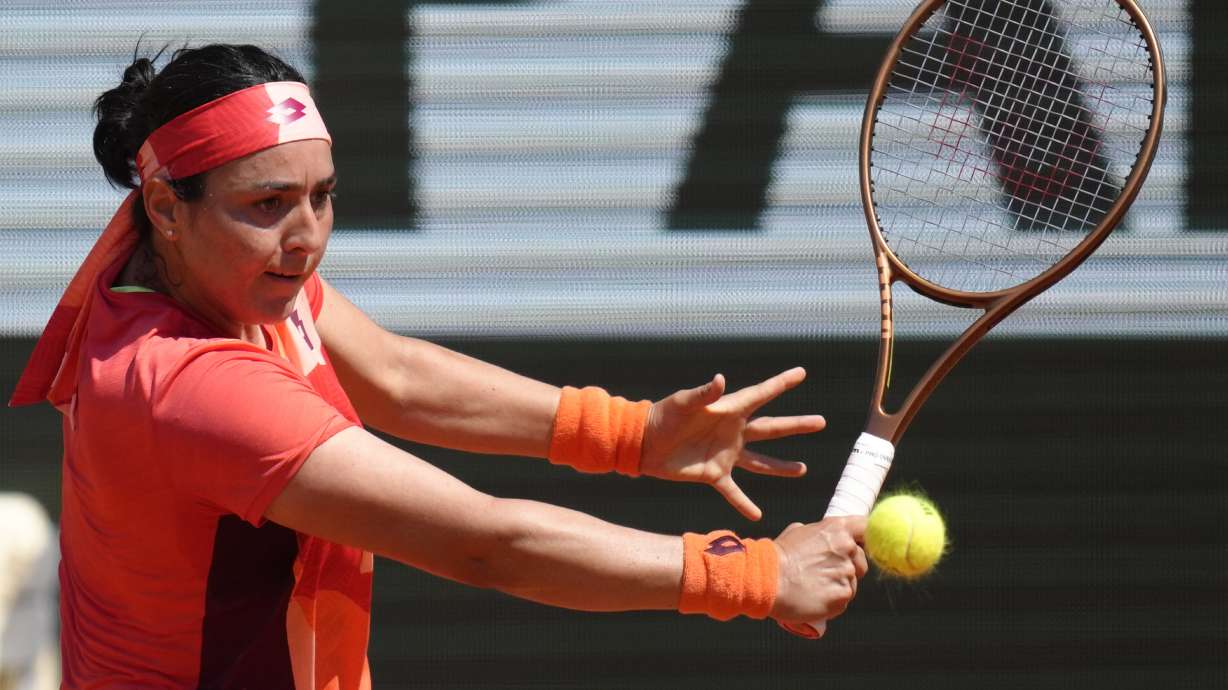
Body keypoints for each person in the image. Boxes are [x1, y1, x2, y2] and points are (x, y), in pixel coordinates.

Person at [9, 44, 867, 689]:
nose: (305, 237)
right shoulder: (190, 387)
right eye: (268, 205)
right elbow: (486, 545)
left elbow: (395, 375)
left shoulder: (218, 275)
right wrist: (756, 576)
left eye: (323, 195)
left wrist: (631, 433)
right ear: (164, 206)